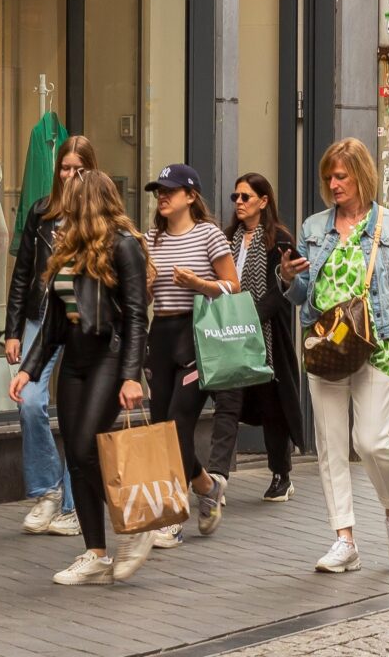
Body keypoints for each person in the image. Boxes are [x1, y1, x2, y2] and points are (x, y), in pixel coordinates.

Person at [283, 137, 389, 572]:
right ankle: (344, 539)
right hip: (326, 346)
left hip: (380, 344)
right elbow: (300, 295)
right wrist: (286, 276)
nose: (333, 184)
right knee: (331, 445)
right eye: (329, 176)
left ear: (362, 176)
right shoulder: (314, 228)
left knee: (370, 440)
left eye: (341, 175)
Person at [13, 167, 153, 585]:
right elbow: (53, 320)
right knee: (76, 453)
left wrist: (131, 376)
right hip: (74, 358)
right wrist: (29, 370)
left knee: (86, 445)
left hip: (109, 357)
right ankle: (95, 552)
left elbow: (135, 317)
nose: (61, 209)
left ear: (87, 202)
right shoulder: (66, 248)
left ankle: (136, 527)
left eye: (70, 201)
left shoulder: (124, 246)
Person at [140, 164, 241, 547]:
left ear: (190, 196)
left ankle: (171, 516)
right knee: (161, 428)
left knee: (178, 424)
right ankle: (206, 485)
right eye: (158, 191)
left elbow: (234, 286)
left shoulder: (209, 235)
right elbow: (149, 298)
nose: (162, 197)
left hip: (198, 335)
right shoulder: (153, 238)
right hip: (161, 335)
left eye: (169, 190)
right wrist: (147, 288)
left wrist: (200, 284)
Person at [6, 135, 98, 535]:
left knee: (78, 414)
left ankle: (75, 506)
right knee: (29, 402)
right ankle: (48, 490)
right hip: (40, 316)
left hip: (83, 322)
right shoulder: (41, 213)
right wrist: (12, 329)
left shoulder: (100, 216)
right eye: (65, 167)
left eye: (80, 168)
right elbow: (22, 272)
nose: (72, 175)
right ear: (57, 169)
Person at [206, 172, 307, 502]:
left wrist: (249, 315)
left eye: (245, 197)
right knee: (227, 402)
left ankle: (281, 473)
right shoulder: (227, 239)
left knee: (271, 406)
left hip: (266, 338)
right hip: (230, 337)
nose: (238, 202)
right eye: (235, 197)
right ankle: (218, 476)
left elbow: (283, 292)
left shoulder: (279, 240)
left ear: (263, 202)